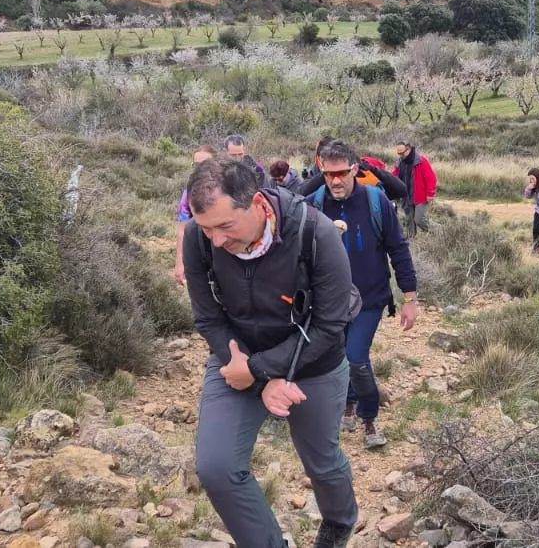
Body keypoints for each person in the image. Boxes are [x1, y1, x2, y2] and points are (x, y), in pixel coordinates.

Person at [181, 158, 361, 548]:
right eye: (206, 227)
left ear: (259, 203)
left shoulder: (316, 233)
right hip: (237, 359)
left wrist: (263, 369)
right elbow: (208, 319)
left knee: (322, 461)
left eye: (226, 226)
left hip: (313, 361)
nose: (216, 240)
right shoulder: (199, 239)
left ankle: (339, 519)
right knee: (217, 468)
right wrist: (250, 371)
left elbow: (329, 325)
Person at [307, 141, 419, 451]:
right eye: (329, 175)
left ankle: (369, 416)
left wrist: (410, 297)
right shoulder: (314, 205)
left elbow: (397, 247)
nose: (336, 181)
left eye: (342, 172)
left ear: (356, 169)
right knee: (338, 355)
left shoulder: (375, 200)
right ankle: (348, 402)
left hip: (370, 297)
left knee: (356, 357)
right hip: (329, 300)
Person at [297, 136, 407, 201]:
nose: (336, 180)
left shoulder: (367, 182)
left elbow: (401, 190)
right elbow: (299, 195)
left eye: (342, 173)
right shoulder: (316, 180)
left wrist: (373, 169)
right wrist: (325, 175)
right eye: (330, 173)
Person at [173, 145, 219, 287]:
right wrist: (180, 263)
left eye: (205, 164)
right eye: (196, 164)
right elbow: (182, 230)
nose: (200, 168)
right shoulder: (189, 193)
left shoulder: (228, 187)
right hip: (200, 250)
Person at [392, 141, 437, 238]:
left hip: (421, 196)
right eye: (398, 154)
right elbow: (394, 177)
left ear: (408, 149)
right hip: (406, 196)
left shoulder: (421, 160)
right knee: (409, 221)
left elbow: (430, 177)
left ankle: (438, 232)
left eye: (402, 153)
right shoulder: (399, 162)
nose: (401, 155)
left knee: (419, 220)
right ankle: (412, 242)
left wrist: (430, 193)